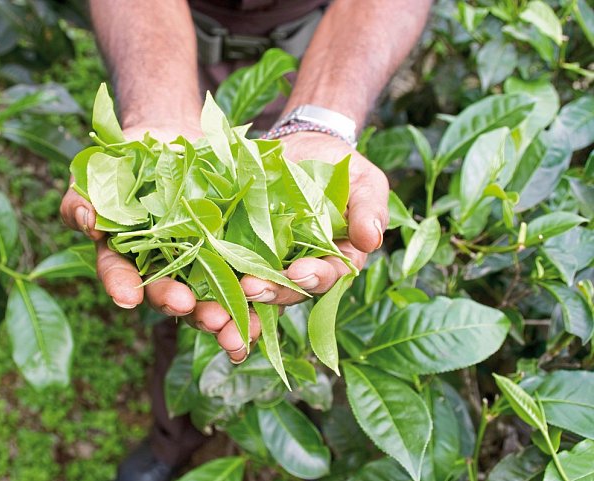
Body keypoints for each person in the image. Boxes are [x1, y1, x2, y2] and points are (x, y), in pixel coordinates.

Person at [60, 1, 432, 479]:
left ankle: (302, 416)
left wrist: (322, 120)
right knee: (179, 295)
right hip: (168, 35)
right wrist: (158, 107)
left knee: (305, 271)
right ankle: (173, 436)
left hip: (327, 45)